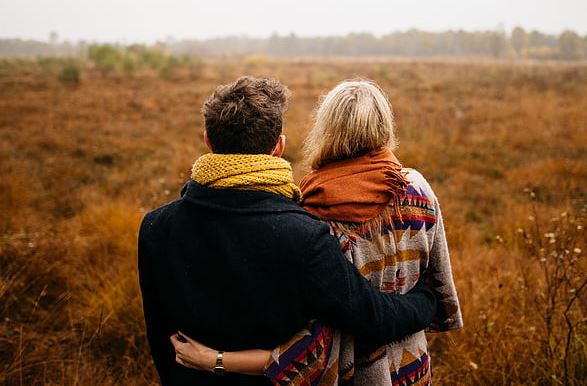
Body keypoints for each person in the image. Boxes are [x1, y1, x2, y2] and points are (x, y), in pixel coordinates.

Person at [138, 76, 438, 386]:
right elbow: (372, 317)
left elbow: (160, 338)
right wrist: (426, 301)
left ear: (207, 141)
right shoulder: (305, 235)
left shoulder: (154, 227)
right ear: (279, 146)